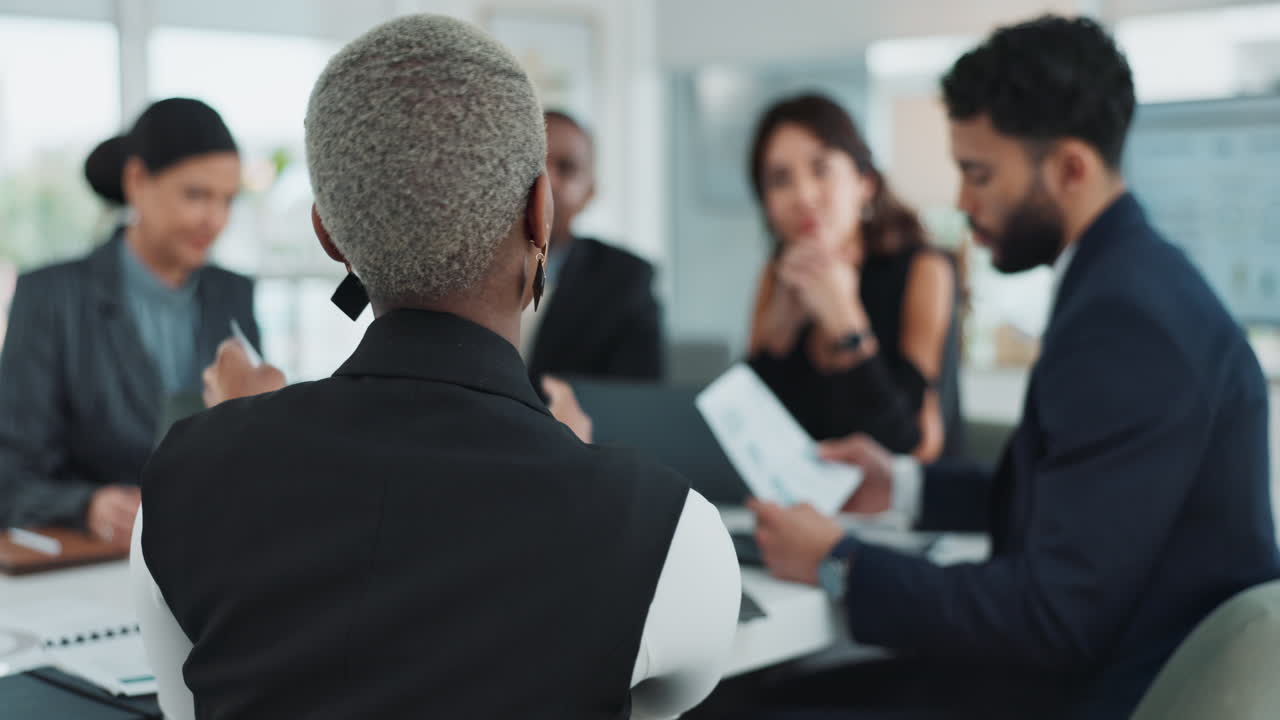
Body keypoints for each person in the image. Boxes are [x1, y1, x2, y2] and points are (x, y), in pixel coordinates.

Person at [130, 15, 740, 720]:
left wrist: (230, 432)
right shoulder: (670, 534)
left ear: (329, 234)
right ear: (541, 212)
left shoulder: (178, 490)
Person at [748, 16, 1279, 719]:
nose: (963, 204)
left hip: (1099, 692)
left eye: (979, 174)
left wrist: (840, 562)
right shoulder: (1131, 279)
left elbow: (1051, 616)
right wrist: (901, 485)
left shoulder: (1126, 319)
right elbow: (1073, 496)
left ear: (1068, 170)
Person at [0, 98, 259, 545]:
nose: (215, 220)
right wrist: (87, 505)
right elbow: (10, 474)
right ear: (137, 181)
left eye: (227, 199)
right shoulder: (51, 297)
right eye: (195, 195)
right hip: (93, 563)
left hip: (211, 554)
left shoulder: (232, 293)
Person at [745, 94, 962, 462]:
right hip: (804, 505)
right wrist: (779, 327)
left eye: (821, 169)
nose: (804, 196)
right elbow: (746, 433)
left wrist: (846, 320)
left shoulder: (924, 268)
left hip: (912, 511)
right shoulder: (776, 276)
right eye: (780, 179)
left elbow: (915, 445)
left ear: (865, 184)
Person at [522, 110, 665, 384]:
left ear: (590, 194)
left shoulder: (626, 281)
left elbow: (636, 400)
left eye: (566, 168)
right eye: (533, 163)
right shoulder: (468, 269)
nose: (546, 181)